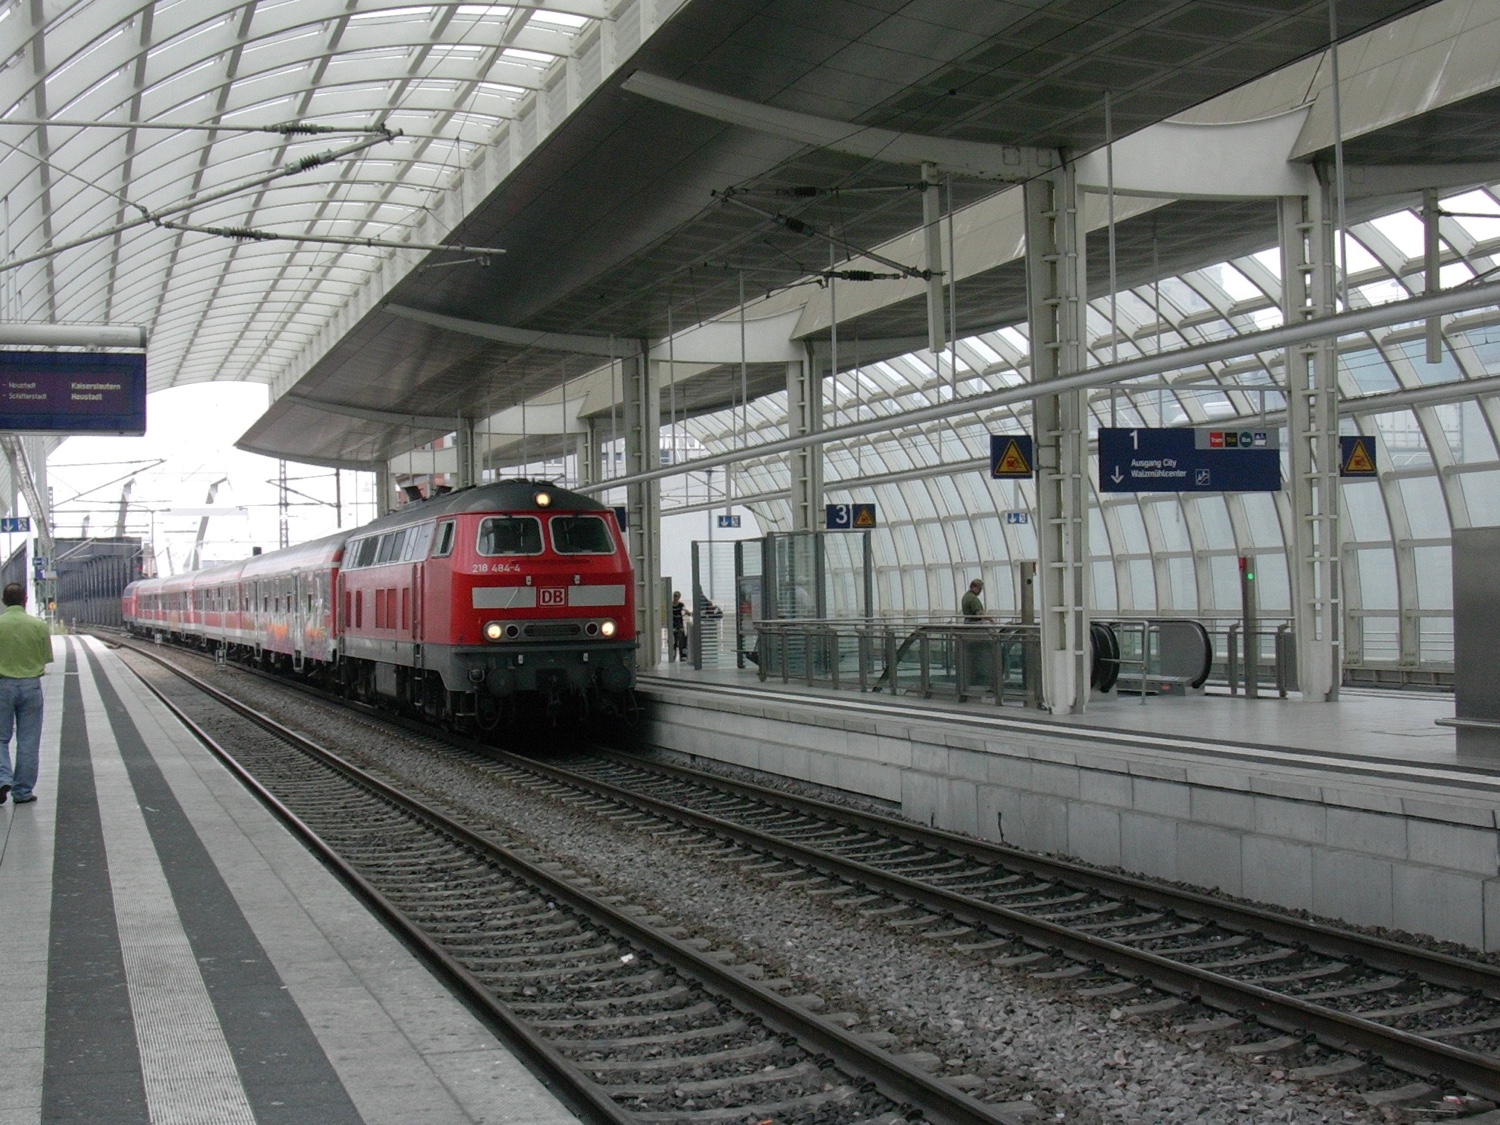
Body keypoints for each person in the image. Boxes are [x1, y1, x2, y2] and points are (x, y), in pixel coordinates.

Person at [0, 582, 53, 805]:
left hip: (2, 686)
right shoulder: (38, 625)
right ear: (25, 600)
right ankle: (22, 792)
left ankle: (2, 778)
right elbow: (46, 658)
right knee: (28, 740)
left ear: (3, 601)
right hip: (31, 687)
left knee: (0, 738)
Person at [670, 590, 690, 661]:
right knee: (673, 641)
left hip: (680, 624)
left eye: (677, 596)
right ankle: (672, 656)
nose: (676, 598)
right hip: (672, 624)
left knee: (682, 640)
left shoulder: (681, 605)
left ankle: (683, 656)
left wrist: (687, 612)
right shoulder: (670, 605)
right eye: (675, 596)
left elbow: (684, 610)